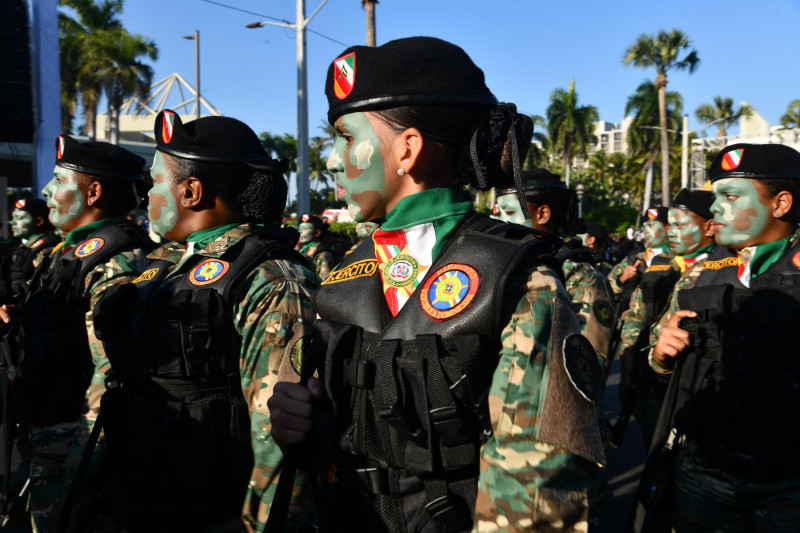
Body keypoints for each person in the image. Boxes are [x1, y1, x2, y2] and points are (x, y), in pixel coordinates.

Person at [268, 36, 605, 531]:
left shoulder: (518, 279)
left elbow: (535, 499)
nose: (335, 159)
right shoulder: (344, 274)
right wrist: (298, 420)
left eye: (345, 136)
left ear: (408, 149)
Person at [86, 110, 320, 532]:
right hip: (139, 503)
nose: (146, 197)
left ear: (191, 191)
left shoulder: (268, 278)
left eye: (157, 182)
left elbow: (277, 435)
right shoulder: (159, 269)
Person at [641, 143, 800, 530]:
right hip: (704, 471)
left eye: (730, 197)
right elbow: (661, 358)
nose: (714, 210)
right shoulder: (703, 273)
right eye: (715, 197)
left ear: (780, 204)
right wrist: (661, 357)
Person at [0, 134, 153, 532]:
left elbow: (113, 379)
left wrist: (82, 474)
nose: (47, 192)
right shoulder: (70, 251)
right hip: (49, 433)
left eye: (58, 180)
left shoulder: (114, 261)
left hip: (76, 450)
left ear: (93, 192)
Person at [614, 189, 715, 450]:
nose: (671, 231)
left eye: (681, 225)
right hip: (652, 376)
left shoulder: (723, 266)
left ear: (710, 227)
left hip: (692, 383)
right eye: (670, 224)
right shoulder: (660, 263)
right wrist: (627, 352)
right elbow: (637, 312)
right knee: (655, 446)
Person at [2, 199, 62, 304]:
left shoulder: (47, 249)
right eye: (13, 218)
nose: (12, 222)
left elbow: (43, 286)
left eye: (19, 218)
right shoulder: (19, 247)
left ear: (39, 221)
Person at [296, 214, 338, 278]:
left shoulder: (322, 255)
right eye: (300, 229)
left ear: (317, 233)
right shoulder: (303, 250)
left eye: (305, 228)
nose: (300, 232)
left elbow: (326, 282)